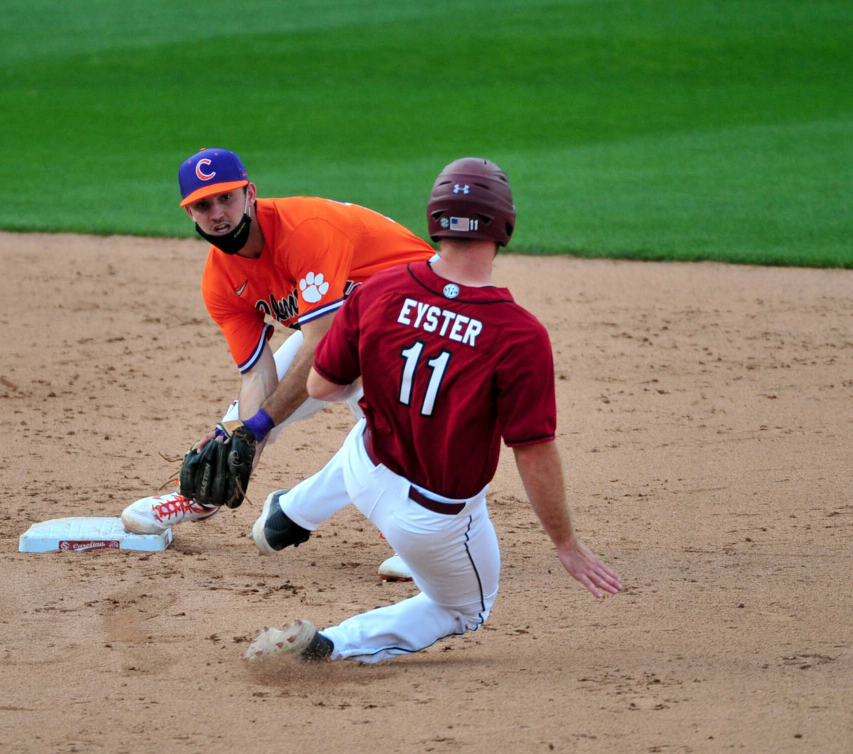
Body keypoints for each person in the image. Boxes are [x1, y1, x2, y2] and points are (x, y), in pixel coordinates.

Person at [243, 157, 622, 663]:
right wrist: (567, 543)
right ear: (504, 226)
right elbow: (532, 453)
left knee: (372, 425)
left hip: (365, 467)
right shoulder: (519, 335)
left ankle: (293, 510)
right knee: (465, 609)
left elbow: (321, 385)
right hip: (429, 520)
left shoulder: (378, 289)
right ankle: (335, 646)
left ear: (435, 220)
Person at [121, 148, 438, 580]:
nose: (218, 214)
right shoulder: (220, 281)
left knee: (368, 397)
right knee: (257, 414)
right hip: (358, 322)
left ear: (250, 194)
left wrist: (259, 428)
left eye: (226, 198)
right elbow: (257, 374)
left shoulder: (303, 231)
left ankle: (417, 533)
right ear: (190, 215)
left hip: (428, 310)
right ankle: (201, 496)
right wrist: (240, 444)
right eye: (202, 205)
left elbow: (323, 348)